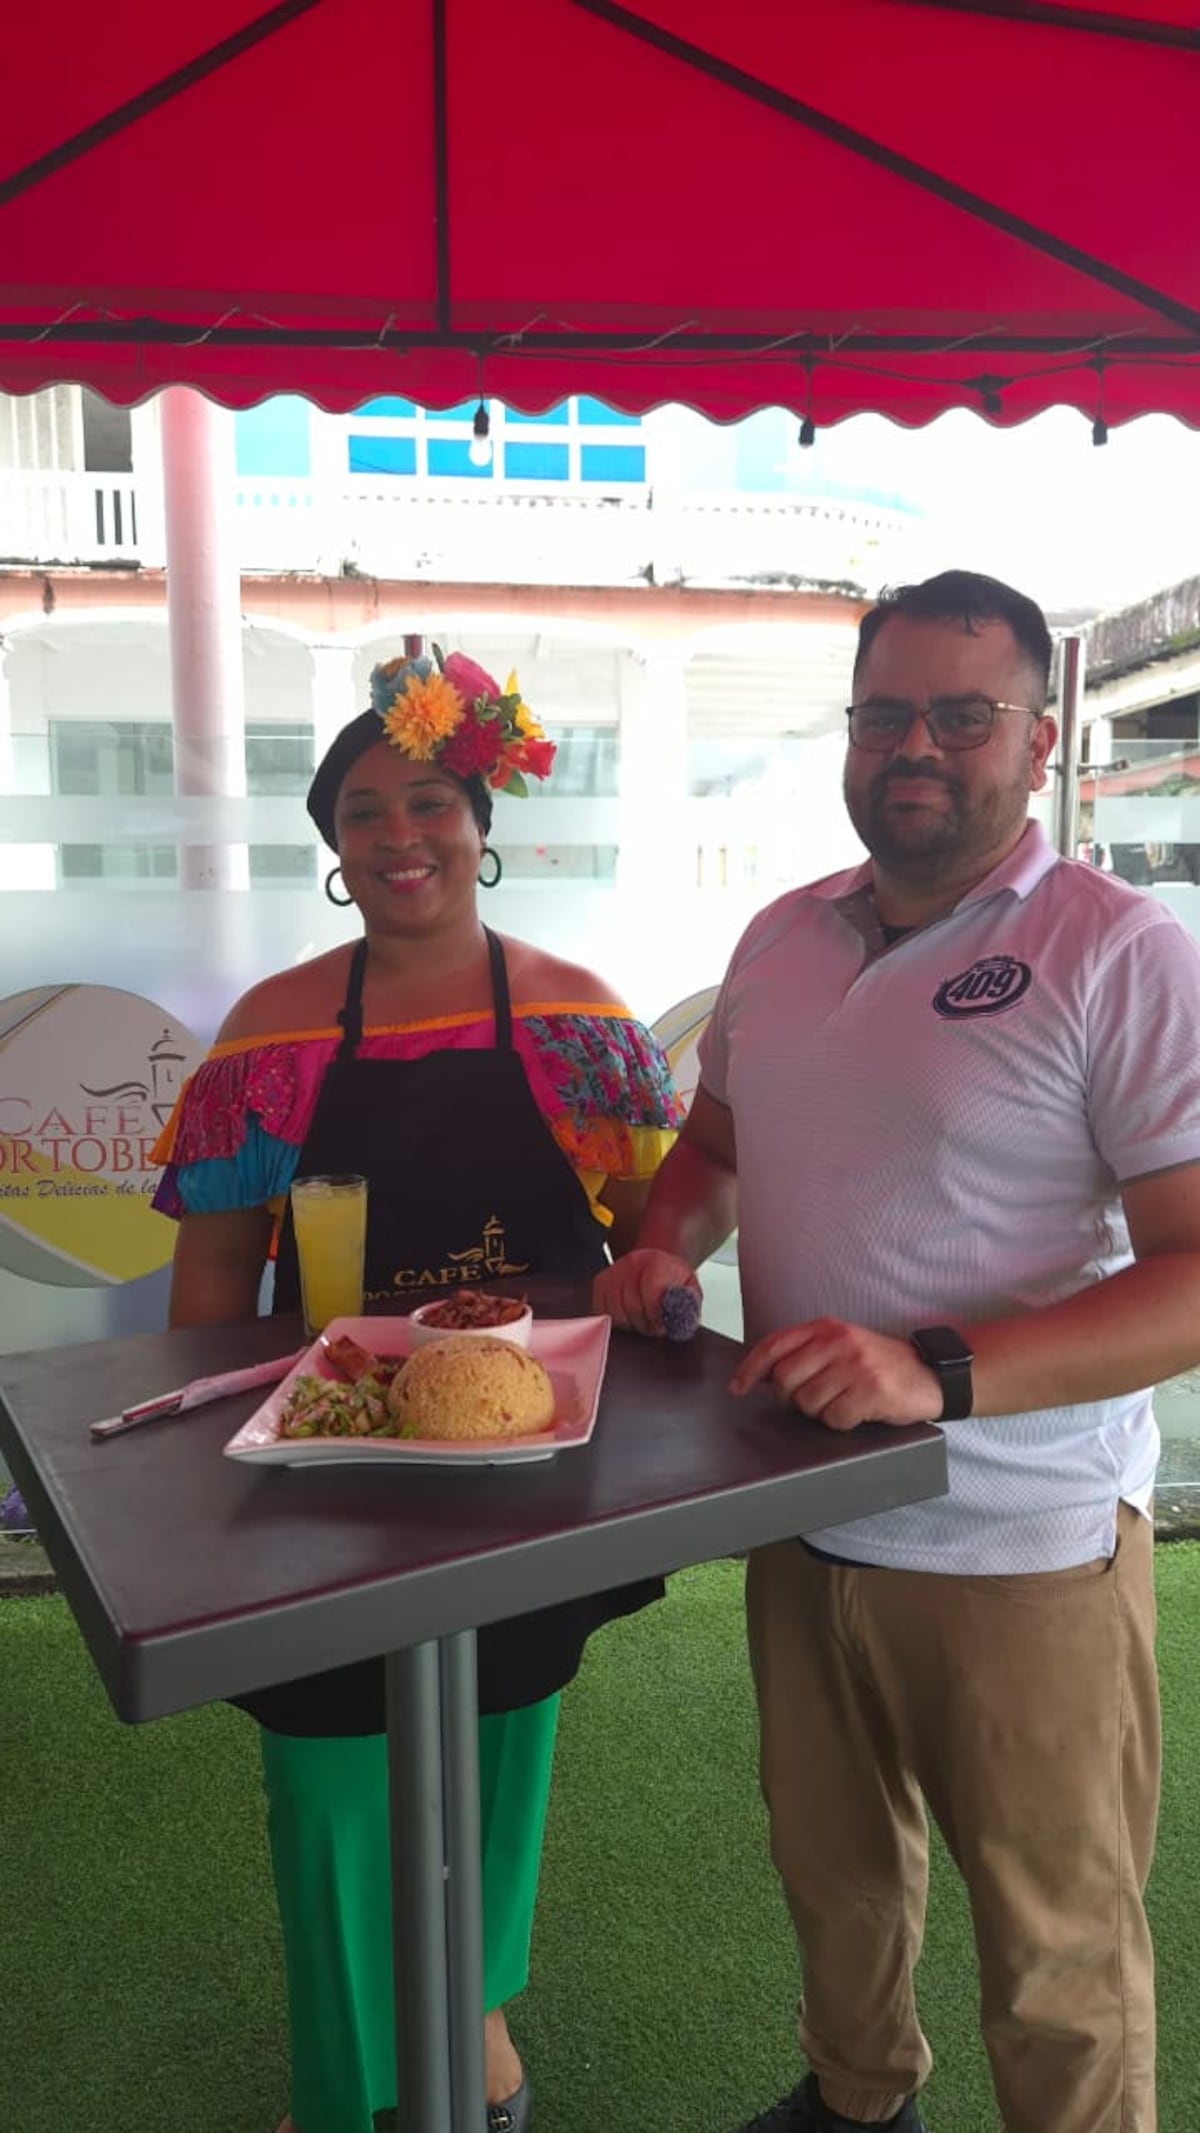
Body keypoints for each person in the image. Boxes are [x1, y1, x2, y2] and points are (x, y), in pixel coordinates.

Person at [596, 570, 1200, 2133]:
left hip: (1023, 1538)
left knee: (1055, 1949)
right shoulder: (783, 935)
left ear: (1039, 736)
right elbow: (714, 1142)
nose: (913, 743)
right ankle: (861, 2106)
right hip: (796, 1508)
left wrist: (941, 1370)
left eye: (961, 712)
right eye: (883, 712)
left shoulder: (1118, 951)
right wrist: (667, 1241)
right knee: (835, 1879)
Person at [152, 644, 684, 2133]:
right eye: (366, 810)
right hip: (319, 1471)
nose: (403, 835)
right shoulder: (267, 1039)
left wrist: (658, 1285)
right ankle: (348, 2096)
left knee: (492, 1780)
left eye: (432, 799)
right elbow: (204, 1304)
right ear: (333, 847)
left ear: (481, 816)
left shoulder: (581, 1025)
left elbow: (661, 1232)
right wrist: (210, 1476)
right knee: (330, 1798)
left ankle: (472, 2051)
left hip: (529, 1465)